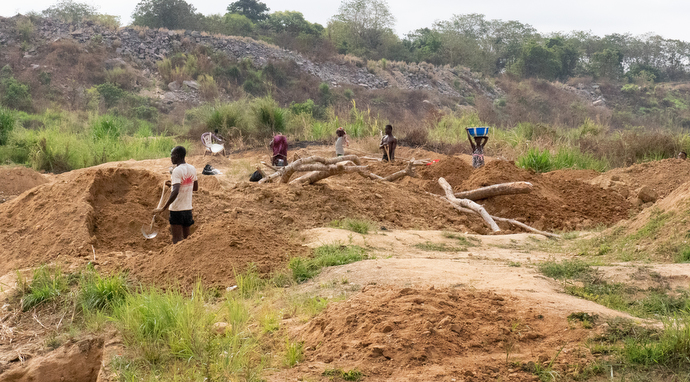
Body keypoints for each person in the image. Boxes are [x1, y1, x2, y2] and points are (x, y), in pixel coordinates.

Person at [154, 146, 198, 244]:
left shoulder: (176, 171)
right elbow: (194, 188)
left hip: (177, 210)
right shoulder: (192, 168)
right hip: (188, 209)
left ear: (177, 155)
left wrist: (163, 208)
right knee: (187, 240)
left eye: (172, 155)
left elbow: (176, 192)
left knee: (177, 240)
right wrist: (174, 184)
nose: (171, 158)